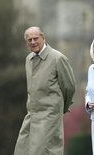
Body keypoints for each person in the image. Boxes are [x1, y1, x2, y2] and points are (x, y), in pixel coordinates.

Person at [14, 26, 76, 155]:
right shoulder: (28, 59)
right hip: (31, 115)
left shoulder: (58, 58)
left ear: (43, 38)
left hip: (49, 116)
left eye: (35, 38)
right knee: (21, 150)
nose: (33, 42)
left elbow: (69, 87)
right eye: (29, 40)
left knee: (42, 151)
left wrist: (61, 108)